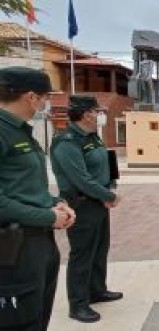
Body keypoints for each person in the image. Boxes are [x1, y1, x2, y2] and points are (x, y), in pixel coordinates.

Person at [0, 67, 75, 331]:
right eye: (45, 97)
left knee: (37, 315)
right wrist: (47, 215)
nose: (45, 104)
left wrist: (54, 202)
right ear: (31, 97)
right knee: (20, 320)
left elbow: (22, 186)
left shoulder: (20, 131)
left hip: (38, 240)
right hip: (13, 244)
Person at [50, 95, 122, 323]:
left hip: (100, 203)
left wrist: (111, 187)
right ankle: (78, 304)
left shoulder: (93, 137)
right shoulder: (67, 141)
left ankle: (97, 290)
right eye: (95, 111)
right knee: (82, 254)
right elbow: (80, 179)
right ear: (85, 114)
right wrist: (108, 195)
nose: (99, 114)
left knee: (100, 248)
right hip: (81, 203)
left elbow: (108, 163)